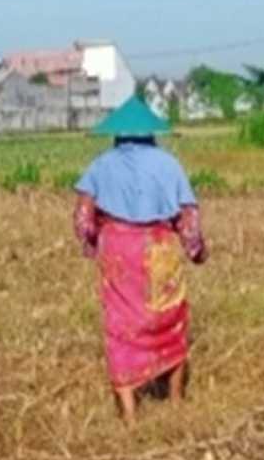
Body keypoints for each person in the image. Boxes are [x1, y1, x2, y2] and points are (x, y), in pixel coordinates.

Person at [72, 97, 208, 424]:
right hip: (160, 246)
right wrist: (196, 251)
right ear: (152, 133)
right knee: (170, 319)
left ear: (117, 134)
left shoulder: (100, 165)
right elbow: (188, 220)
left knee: (120, 326)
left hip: (118, 252)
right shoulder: (169, 164)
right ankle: (175, 400)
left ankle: (130, 414)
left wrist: (93, 244)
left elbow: (82, 219)